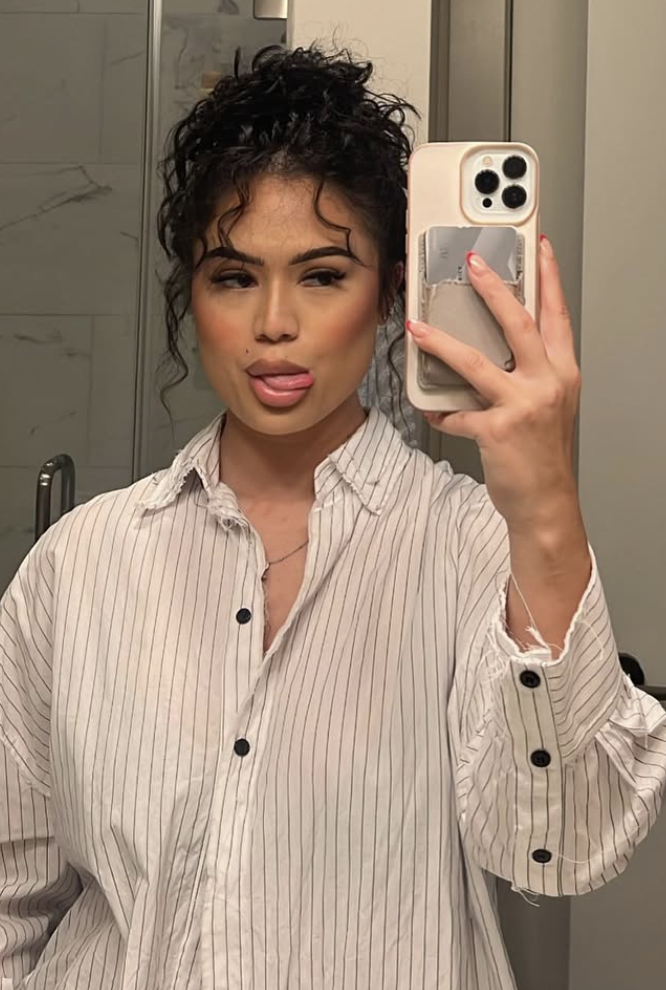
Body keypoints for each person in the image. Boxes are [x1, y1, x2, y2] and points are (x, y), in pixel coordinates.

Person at [0, 45, 665, 990]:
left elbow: (564, 846)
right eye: (234, 277)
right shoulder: (80, 563)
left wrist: (546, 504)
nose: (274, 322)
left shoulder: (476, 547)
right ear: (191, 292)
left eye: (321, 275)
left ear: (391, 292)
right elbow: (12, 891)